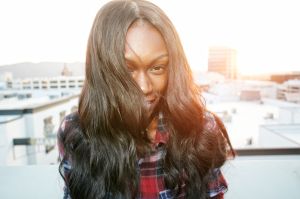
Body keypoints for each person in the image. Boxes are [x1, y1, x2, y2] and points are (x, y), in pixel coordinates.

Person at [57, 0, 235, 198]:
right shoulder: (76, 133)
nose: (144, 87)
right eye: (127, 69)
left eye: (157, 68)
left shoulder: (200, 130)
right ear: (102, 70)